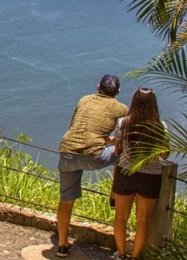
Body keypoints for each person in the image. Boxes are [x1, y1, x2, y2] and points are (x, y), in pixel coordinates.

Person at [56, 74, 128, 258]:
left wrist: (106, 139)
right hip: (92, 156)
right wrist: (112, 142)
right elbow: (121, 138)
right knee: (123, 154)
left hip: (67, 151)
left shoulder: (85, 99)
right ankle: (114, 194)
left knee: (66, 199)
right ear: (118, 91)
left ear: (98, 87)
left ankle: (62, 244)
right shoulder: (121, 108)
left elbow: (76, 126)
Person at [111, 87, 170, 260]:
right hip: (150, 176)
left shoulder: (123, 123)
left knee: (120, 217)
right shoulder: (161, 126)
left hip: (126, 172)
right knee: (143, 220)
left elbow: (118, 147)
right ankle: (135, 257)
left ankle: (121, 254)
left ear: (134, 101)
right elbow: (165, 154)